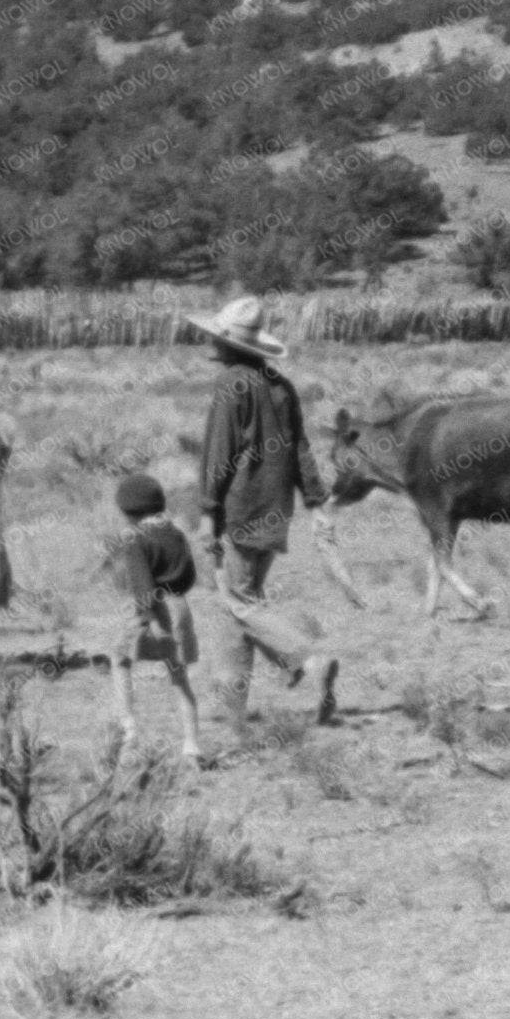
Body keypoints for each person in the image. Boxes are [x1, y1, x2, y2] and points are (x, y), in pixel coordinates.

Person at [187, 295, 348, 725]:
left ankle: (306, 660)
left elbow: (219, 454)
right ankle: (230, 703)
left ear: (230, 345)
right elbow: (300, 450)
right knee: (240, 601)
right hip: (276, 507)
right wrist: (314, 500)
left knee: (238, 602)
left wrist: (207, 511)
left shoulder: (231, 386)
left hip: (240, 507)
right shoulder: (281, 387)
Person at [103, 473, 207, 760]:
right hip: (179, 607)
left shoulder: (135, 540)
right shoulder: (176, 533)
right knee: (179, 676)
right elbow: (189, 575)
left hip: (150, 611)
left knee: (119, 660)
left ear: (127, 512)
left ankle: (129, 728)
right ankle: (192, 745)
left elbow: (142, 584)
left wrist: (149, 619)